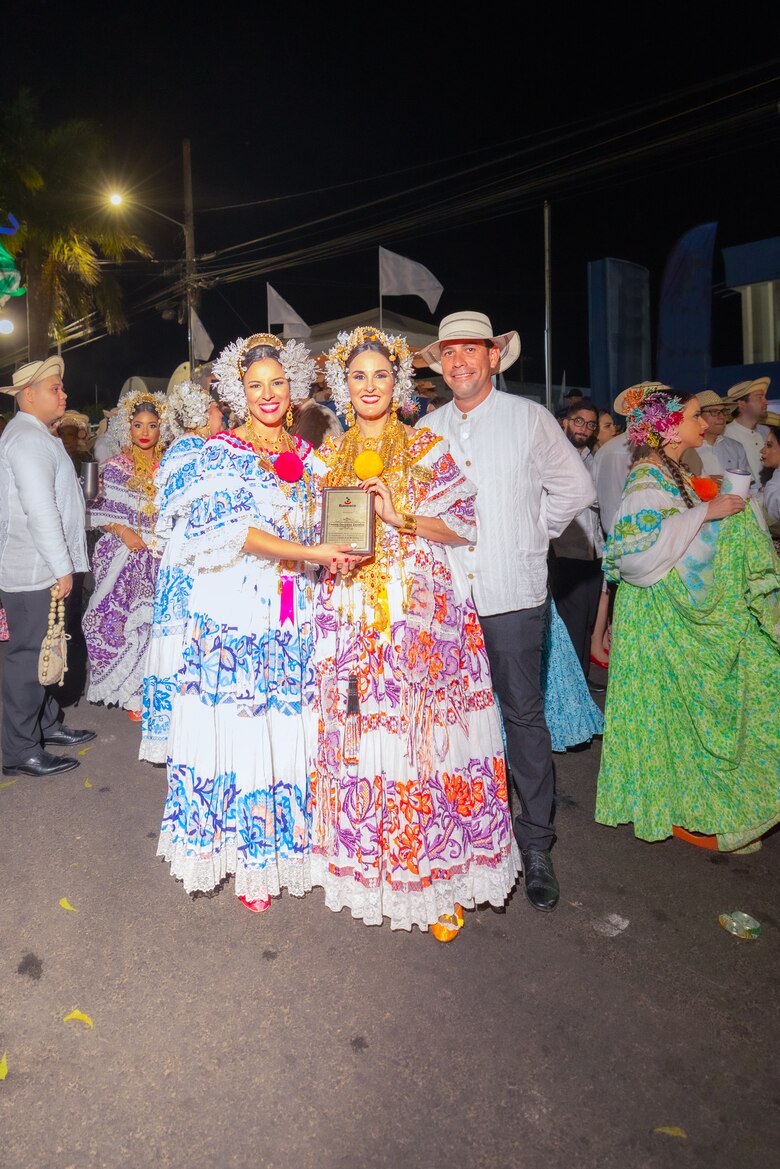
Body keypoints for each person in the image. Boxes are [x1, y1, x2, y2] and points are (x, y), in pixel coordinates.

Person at [310, 326, 518, 939]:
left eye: (380, 375)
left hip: (420, 622)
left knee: (426, 744)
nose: (369, 386)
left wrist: (397, 516)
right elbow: (306, 535)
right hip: (350, 615)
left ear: (397, 383)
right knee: (359, 734)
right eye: (357, 376)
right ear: (344, 387)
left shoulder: (427, 449)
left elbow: (463, 525)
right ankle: (366, 867)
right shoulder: (326, 457)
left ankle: (438, 874)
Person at [157, 334, 359, 912]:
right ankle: (247, 858)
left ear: (293, 386)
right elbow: (235, 533)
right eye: (255, 386)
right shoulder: (217, 453)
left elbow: (328, 524)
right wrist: (316, 554)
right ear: (238, 392)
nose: (268, 395)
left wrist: (341, 542)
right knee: (244, 722)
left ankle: (284, 844)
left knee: (286, 722)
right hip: (236, 609)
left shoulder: (312, 454)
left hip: (294, 608)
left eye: (277, 383)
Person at [419, 312, 596, 912]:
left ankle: (536, 842)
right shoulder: (428, 428)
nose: (459, 362)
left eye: (471, 350)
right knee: (456, 721)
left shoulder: (529, 419)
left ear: (494, 357)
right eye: (449, 353)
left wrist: (530, 532)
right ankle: (467, 834)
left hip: (512, 596)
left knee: (522, 716)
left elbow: (576, 489)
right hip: (447, 599)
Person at [595, 383, 780, 851]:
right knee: (667, 714)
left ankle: (684, 802)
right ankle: (672, 804)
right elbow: (637, 557)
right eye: (696, 415)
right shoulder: (645, 479)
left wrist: (710, 508)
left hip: (668, 612)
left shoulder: (671, 469)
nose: (704, 423)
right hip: (656, 615)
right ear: (669, 427)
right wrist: (709, 515)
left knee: (674, 714)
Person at [0, 358, 95, 778]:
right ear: (28, 395)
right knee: (27, 659)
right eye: (54, 388)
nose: (64, 395)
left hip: (46, 566)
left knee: (49, 650)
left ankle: (44, 726)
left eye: (61, 387)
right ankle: (20, 749)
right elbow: (39, 510)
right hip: (34, 569)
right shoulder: (26, 439)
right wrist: (62, 567)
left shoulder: (39, 435)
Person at [139, 380, 226, 763]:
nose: (223, 416)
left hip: (179, 549)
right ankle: (188, 734)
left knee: (176, 634)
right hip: (197, 549)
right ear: (205, 414)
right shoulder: (204, 451)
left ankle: (167, 734)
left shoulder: (178, 450)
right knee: (192, 634)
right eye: (218, 411)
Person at [82, 390, 168, 720]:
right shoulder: (113, 468)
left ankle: (156, 689)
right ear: (127, 428)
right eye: (137, 425)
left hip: (163, 553)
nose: (144, 433)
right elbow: (97, 514)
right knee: (131, 623)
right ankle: (134, 692)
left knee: (159, 626)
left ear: (162, 428)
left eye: (152, 425)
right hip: (126, 554)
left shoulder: (169, 466)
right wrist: (123, 532)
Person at [549, 399, 603, 675]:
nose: (584, 428)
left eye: (590, 424)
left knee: (587, 623)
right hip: (565, 552)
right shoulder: (554, 456)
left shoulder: (595, 459)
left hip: (594, 552)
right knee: (570, 625)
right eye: (579, 421)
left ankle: (581, 687)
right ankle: (570, 689)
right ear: (565, 423)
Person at [686, 391, 749, 480]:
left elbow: (744, 482)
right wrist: (702, 481)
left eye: (723, 411)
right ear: (698, 416)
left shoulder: (736, 447)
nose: (721, 416)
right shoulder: (686, 449)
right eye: (714, 412)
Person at [724, 376, 770, 481]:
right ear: (742, 404)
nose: (766, 402)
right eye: (760, 397)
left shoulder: (767, 432)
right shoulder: (726, 435)